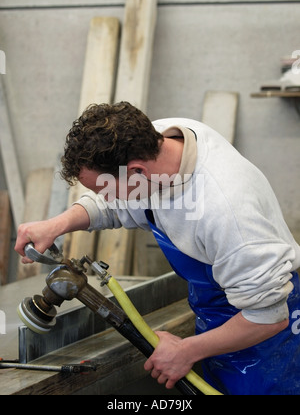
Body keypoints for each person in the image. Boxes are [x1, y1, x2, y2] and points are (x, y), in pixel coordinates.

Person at [15, 102, 300, 395]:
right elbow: (117, 204)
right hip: (216, 312)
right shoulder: (158, 143)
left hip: (267, 344)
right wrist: (56, 225)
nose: (102, 198)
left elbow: (268, 317)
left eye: (102, 189)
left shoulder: (227, 212)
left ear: (137, 172)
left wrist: (187, 350)